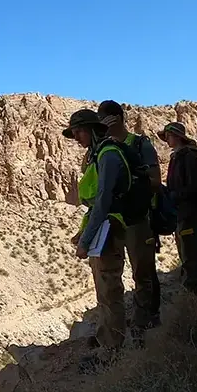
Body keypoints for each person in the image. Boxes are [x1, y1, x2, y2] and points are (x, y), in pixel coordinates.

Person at [64, 109, 147, 372]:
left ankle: (113, 352)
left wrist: (85, 240)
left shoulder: (109, 154)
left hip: (109, 228)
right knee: (103, 285)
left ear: (92, 128)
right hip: (104, 227)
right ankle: (105, 337)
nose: (76, 137)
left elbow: (103, 202)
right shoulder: (100, 154)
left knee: (109, 287)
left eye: (78, 131)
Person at [97, 100, 162, 335]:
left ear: (116, 118)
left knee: (142, 273)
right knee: (110, 281)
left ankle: (144, 326)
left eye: (105, 119)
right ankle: (116, 334)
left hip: (137, 220)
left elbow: (156, 182)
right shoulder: (104, 148)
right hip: (113, 222)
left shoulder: (139, 144)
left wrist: (132, 180)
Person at [157, 122, 197, 295]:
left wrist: (176, 196)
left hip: (189, 213)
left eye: (168, 135)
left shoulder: (187, 157)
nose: (166, 139)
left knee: (191, 255)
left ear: (177, 137)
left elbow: (195, 185)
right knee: (189, 253)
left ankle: (195, 297)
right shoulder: (179, 157)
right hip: (183, 213)